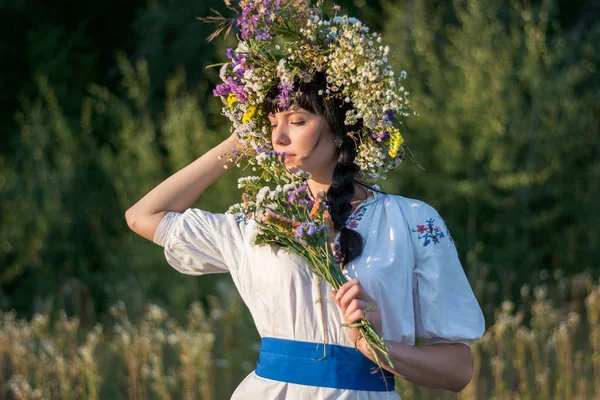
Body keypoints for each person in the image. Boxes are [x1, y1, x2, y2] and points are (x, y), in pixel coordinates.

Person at [126, 2, 485, 398]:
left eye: (296, 121)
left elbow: (457, 369)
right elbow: (144, 215)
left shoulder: (413, 221)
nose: (278, 138)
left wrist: (379, 349)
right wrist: (237, 142)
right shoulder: (259, 222)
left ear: (342, 125)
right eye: (271, 124)